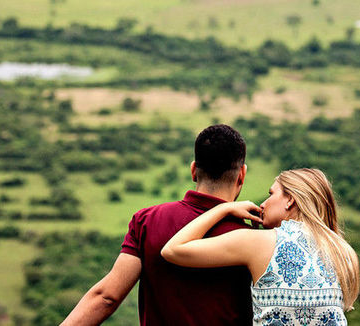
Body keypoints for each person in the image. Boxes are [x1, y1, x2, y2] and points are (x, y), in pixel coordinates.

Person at [60, 124, 253, 326]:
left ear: (194, 170)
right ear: (242, 174)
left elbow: (107, 298)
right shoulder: (252, 238)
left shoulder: (147, 221)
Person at [162, 168, 360, 326]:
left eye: (271, 194)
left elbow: (173, 249)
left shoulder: (259, 242)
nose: (263, 203)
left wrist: (224, 208)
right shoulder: (344, 253)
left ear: (290, 199)